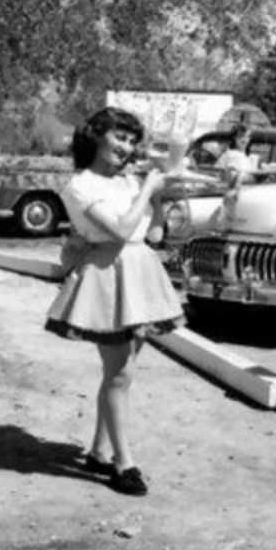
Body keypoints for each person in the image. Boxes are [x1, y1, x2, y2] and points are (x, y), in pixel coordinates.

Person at [44, 107, 185, 495]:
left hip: (140, 274)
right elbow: (121, 230)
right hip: (109, 276)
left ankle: (99, 450)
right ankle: (124, 463)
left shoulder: (127, 183)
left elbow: (152, 235)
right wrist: (147, 190)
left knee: (121, 373)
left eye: (130, 140)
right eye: (119, 137)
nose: (126, 147)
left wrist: (159, 198)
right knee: (120, 374)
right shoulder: (81, 185)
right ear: (96, 136)